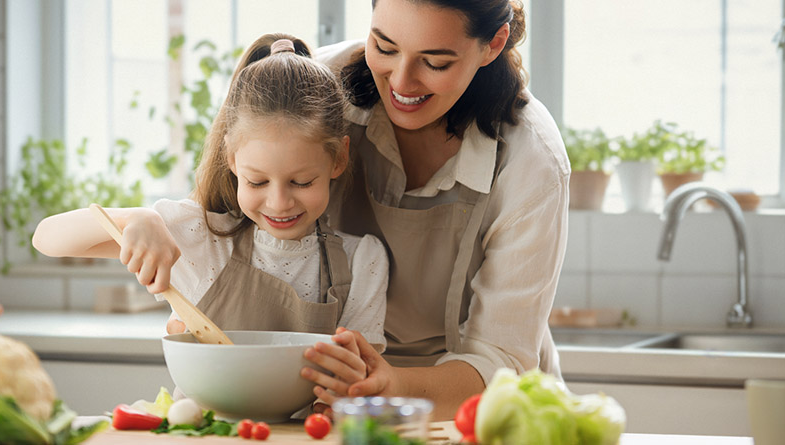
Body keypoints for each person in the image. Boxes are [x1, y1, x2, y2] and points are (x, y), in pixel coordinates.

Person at [32, 34, 388, 354]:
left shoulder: (362, 262)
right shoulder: (200, 239)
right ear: (232, 158)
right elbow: (47, 238)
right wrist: (138, 218)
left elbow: (361, 376)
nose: (279, 202)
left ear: (339, 158)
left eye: (302, 182)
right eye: (258, 182)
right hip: (203, 427)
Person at [300, 0, 570, 419]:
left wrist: (392, 386)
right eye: (384, 47)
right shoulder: (313, 89)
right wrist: (159, 224)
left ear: (493, 45)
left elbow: (500, 361)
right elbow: (229, 208)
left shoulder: (531, 160)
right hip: (334, 401)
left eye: (435, 62)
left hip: (478, 408)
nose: (401, 80)